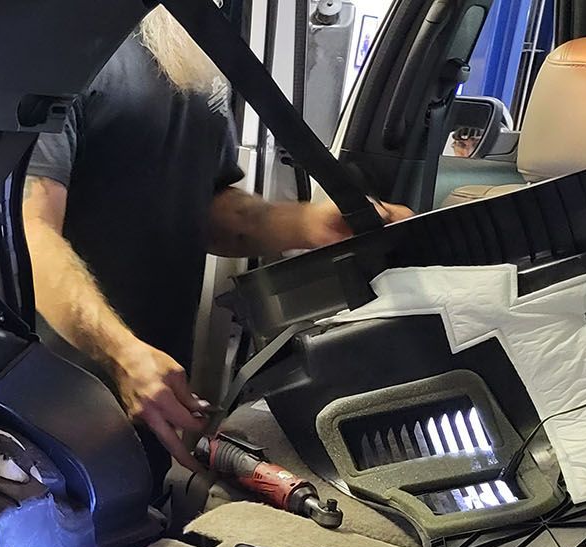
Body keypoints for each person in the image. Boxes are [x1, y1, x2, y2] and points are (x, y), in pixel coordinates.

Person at [24, 9, 409, 467]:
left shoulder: (184, 42)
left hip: (159, 379)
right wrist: (121, 353)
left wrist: (307, 226)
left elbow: (206, 204)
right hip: (64, 388)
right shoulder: (60, 43)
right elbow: (33, 230)